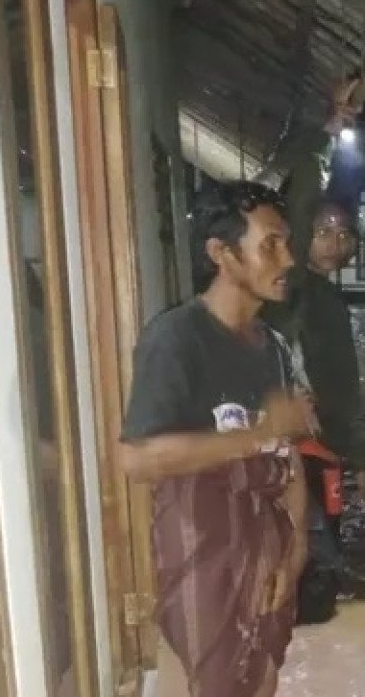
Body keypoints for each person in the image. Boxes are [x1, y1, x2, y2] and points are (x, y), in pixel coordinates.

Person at [118, 181, 313, 697]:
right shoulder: (177, 338)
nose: (287, 258)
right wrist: (257, 434)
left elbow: (286, 455)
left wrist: (296, 551)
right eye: (270, 243)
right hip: (201, 552)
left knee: (261, 679)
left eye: (286, 242)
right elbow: (138, 459)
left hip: (266, 545)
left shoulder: (271, 344)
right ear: (221, 254)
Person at [264, 80, 365, 625]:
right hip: (288, 461)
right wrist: (328, 134)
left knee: (318, 581)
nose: (337, 242)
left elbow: (343, 392)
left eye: (346, 233)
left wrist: (360, 464)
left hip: (324, 458)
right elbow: (303, 197)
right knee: (305, 583)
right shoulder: (289, 290)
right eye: (325, 231)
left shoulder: (330, 301)